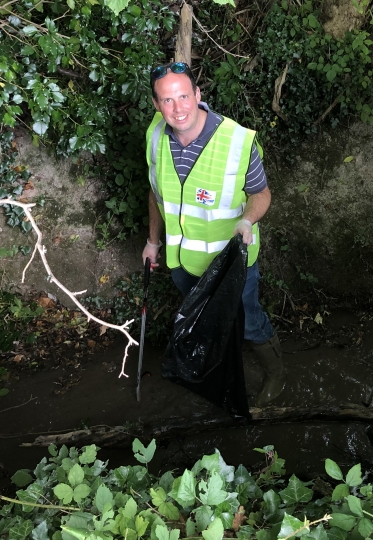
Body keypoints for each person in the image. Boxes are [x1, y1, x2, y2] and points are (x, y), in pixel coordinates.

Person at [141, 62, 284, 406]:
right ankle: (216, 372)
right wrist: (152, 241)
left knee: (247, 321)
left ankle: (277, 372)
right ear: (157, 105)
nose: (178, 108)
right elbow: (156, 192)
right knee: (204, 320)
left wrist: (247, 221)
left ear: (198, 95)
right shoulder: (156, 135)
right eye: (168, 100)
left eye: (184, 96)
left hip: (232, 264)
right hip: (183, 263)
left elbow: (261, 193)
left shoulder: (236, 141)